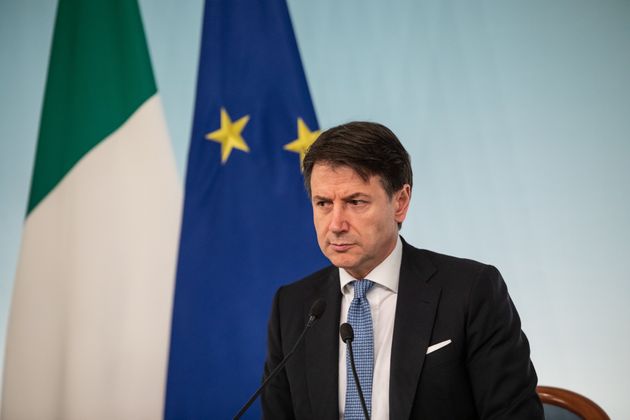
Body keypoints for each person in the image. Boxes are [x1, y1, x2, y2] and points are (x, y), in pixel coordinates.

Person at [261, 121, 543, 419]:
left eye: (355, 202)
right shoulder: (293, 306)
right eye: (323, 203)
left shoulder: (471, 291)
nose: (336, 224)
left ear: (400, 202)